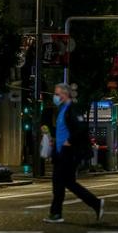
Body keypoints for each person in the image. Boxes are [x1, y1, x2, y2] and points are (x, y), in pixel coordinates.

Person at [43, 83, 105, 224]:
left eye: (57, 94)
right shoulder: (62, 109)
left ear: (65, 94)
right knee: (63, 183)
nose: (55, 97)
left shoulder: (73, 108)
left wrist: (69, 141)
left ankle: (56, 213)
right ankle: (94, 204)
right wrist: (53, 139)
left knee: (62, 182)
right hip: (60, 153)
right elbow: (63, 129)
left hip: (69, 153)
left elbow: (82, 127)